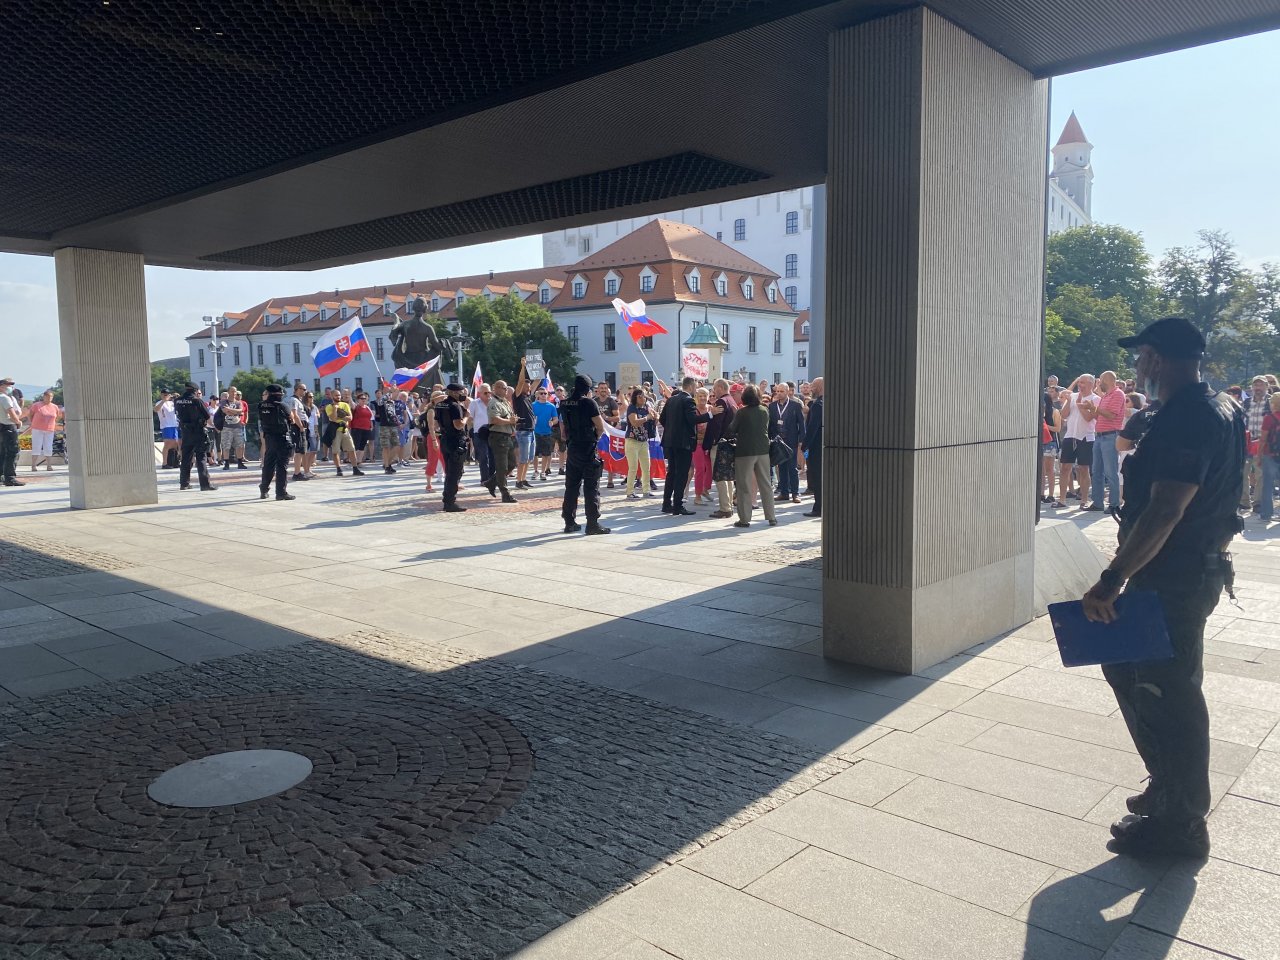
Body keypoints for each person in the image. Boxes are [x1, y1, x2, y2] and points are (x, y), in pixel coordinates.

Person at [1082, 318, 1245, 859]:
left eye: (1140, 358)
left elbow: (1166, 509)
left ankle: (1182, 822)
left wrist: (1112, 579)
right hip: (1188, 571)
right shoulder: (1220, 406)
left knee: (1163, 690)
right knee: (1130, 669)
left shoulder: (1186, 418)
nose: (1136, 369)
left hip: (1172, 577)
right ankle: (1168, 785)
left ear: (1154, 360)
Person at [560, 374, 610, 535]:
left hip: (572, 447)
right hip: (587, 447)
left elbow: (563, 430)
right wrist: (595, 438)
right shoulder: (589, 403)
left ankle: (569, 521)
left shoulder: (564, 403)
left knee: (571, 486)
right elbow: (600, 426)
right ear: (588, 388)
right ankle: (592, 523)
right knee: (591, 487)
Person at [726, 385, 777, 528]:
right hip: (763, 451)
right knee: (766, 484)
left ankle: (744, 518)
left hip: (745, 451)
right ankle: (771, 516)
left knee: (744, 485)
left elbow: (731, 429)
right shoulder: (764, 410)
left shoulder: (742, 412)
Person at [658, 376, 707, 515]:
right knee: (681, 474)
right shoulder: (688, 400)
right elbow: (692, 419)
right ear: (691, 386)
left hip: (670, 441)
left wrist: (672, 430)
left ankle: (666, 503)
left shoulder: (672, 399)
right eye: (696, 387)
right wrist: (709, 415)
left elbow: (662, 419)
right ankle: (678, 505)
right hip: (683, 443)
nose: (696, 390)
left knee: (671, 473)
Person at [1087, 371, 1126, 513]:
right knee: (1096, 471)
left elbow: (1111, 415)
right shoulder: (1106, 396)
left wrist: (1095, 409)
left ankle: (1114, 504)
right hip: (1099, 436)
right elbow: (1102, 416)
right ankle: (1097, 502)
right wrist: (1093, 410)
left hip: (1110, 436)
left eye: (1100, 380)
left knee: (1110, 472)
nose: (1099, 383)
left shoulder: (1118, 394)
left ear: (1107, 380)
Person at [1059, 374, 1096, 506]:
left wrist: (1080, 405)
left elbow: (1088, 418)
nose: (1080, 385)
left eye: (1083, 383)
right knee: (1064, 467)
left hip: (1086, 437)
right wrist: (1069, 402)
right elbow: (1063, 415)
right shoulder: (1073, 396)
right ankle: (1062, 499)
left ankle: (1084, 500)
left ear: (1091, 384)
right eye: (1079, 382)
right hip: (1070, 436)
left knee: (1083, 468)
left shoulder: (1095, 399)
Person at [257, 384, 297, 501]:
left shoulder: (261, 405)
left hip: (269, 438)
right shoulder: (282, 405)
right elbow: (292, 419)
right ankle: (281, 492)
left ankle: (264, 488)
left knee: (268, 465)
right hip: (282, 438)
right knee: (282, 466)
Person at [173, 384, 216, 491]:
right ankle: (205, 484)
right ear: (196, 390)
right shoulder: (197, 400)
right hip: (198, 431)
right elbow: (207, 415)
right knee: (201, 457)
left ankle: (184, 483)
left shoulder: (177, 400)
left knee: (186, 458)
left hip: (185, 432)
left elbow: (177, 414)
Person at [435, 381, 470, 512]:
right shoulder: (455, 406)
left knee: (449, 471)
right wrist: (466, 417)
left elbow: (437, 423)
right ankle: (450, 502)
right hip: (456, 441)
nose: (463, 395)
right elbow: (458, 425)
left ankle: (447, 499)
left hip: (445, 439)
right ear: (455, 393)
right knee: (455, 472)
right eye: (462, 393)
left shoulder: (440, 405)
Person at [769, 383, 806, 503]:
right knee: (782, 467)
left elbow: (801, 423)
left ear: (788, 391)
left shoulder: (795, 405)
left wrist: (801, 440)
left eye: (782, 391)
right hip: (778, 441)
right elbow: (770, 424)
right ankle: (784, 492)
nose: (779, 393)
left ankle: (795, 493)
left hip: (791, 440)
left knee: (792, 467)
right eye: (777, 391)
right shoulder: (772, 406)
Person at [1240, 376, 1271, 513]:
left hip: (1264, 442)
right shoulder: (1246, 402)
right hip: (1247, 442)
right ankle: (1244, 501)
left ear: (1266, 386)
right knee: (1243, 473)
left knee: (1261, 474)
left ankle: (1258, 502)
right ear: (1252, 387)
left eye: (1261, 385)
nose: (1258, 387)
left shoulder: (1271, 402)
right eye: (1255, 385)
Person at [486, 380, 519, 503]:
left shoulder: (504, 402)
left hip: (507, 436)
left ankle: (491, 482)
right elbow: (494, 419)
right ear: (498, 388)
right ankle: (505, 493)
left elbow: (508, 417)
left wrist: (513, 420)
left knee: (512, 464)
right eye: (505, 389)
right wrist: (509, 421)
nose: (506, 391)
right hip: (498, 436)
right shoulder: (493, 402)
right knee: (502, 466)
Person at [623, 387, 656, 499]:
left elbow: (655, 419)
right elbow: (634, 422)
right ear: (635, 398)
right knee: (633, 467)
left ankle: (646, 490)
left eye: (644, 396)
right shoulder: (632, 408)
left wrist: (654, 417)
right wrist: (647, 418)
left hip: (643, 440)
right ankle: (630, 491)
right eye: (640, 396)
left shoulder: (647, 408)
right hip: (632, 440)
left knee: (646, 466)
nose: (643, 398)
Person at [323, 390, 361, 476]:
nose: (338, 397)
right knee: (336, 451)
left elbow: (350, 418)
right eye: (336, 395)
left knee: (351, 449)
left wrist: (339, 416)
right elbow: (333, 418)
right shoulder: (329, 406)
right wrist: (335, 409)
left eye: (339, 395)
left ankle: (355, 468)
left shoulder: (345, 405)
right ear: (332, 396)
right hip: (335, 430)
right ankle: (338, 469)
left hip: (345, 430)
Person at [26, 389, 62, 472]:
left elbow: (57, 416)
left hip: (49, 429)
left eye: (51, 396)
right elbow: (30, 415)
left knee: (48, 447)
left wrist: (53, 423)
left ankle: (49, 465)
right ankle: (33, 466)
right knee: (36, 446)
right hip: (37, 429)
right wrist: (33, 422)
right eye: (47, 396)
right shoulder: (37, 405)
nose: (49, 398)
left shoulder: (54, 407)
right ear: (44, 396)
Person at [802, 377, 823, 518]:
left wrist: (805, 445)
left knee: (816, 477)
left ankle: (818, 508)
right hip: (824, 446)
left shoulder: (817, 405)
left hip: (815, 448)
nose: (811, 389)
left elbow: (812, 427)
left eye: (814, 386)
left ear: (820, 387)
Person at [1258, 394, 1280, 523]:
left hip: (1270, 455)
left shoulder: (1269, 418)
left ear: (1274, 404)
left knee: (1267, 485)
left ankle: (1266, 514)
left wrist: (1259, 456)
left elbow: (1263, 439)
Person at [532, 385, 559, 481]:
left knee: (546, 454)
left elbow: (556, 418)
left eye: (545, 393)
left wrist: (552, 422)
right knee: (534, 454)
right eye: (541, 393)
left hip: (547, 432)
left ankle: (543, 472)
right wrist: (533, 421)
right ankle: (536, 471)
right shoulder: (533, 405)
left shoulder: (551, 406)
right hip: (535, 432)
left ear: (547, 395)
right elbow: (530, 417)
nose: (543, 395)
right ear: (538, 395)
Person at [469, 383, 493, 486]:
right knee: (483, 456)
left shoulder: (494, 403)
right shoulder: (475, 403)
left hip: (493, 433)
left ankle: (492, 478)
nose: (488, 394)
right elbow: (470, 418)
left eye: (489, 392)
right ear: (480, 393)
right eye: (485, 392)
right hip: (479, 433)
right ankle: (485, 479)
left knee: (493, 456)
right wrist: (470, 430)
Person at [0, 377, 22, 486]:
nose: (10, 387)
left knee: (2, 452)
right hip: (8, 426)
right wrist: (18, 422)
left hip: (1, 427)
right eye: (8, 385)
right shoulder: (5, 398)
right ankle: (10, 478)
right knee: (12, 452)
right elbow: (12, 413)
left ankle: (2, 476)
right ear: (1, 386)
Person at [692, 387, 713, 506]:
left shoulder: (711, 408)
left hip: (708, 443)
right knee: (699, 468)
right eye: (700, 395)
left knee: (709, 467)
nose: (702, 398)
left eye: (705, 395)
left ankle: (706, 489)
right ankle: (697, 495)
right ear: (696, 397)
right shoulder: (693, 410)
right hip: (697, 443)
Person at [374, 387, 401, 475]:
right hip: (384, 426)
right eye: (387, 391)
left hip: (393, 425)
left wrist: (398, 423)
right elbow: (381, 400)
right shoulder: (381, 401)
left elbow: (393, 414)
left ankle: (387, 464)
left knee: (397, 445)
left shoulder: (392, 402)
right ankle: (387, 466)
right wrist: (389, 391)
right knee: (386, 447)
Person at [349, 392, 375, 469]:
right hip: (357, 429)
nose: (364, 400)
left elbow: (371, 418)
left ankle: (359, 461)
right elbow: (351, 404)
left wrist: (371, 427)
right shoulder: (356, 407)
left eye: (365, 398)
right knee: (356, 446)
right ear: (358, 400)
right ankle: (353, 462)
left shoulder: (367, 407)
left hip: (366, 429)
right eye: (362, 398)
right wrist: (350, 396)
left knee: (362, 446)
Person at [155, 391, 179, 468]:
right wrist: (163, 401)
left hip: (174, 425)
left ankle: (175, 461)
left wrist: (176, 398)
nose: (166, 396)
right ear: (161, 395)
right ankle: (164, 463)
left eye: (167, 394)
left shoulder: (172, 403)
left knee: (175, 443)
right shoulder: (159, 403)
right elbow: (156, 409)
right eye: (164, 394)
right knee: (168, 444)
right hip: (166, 425)